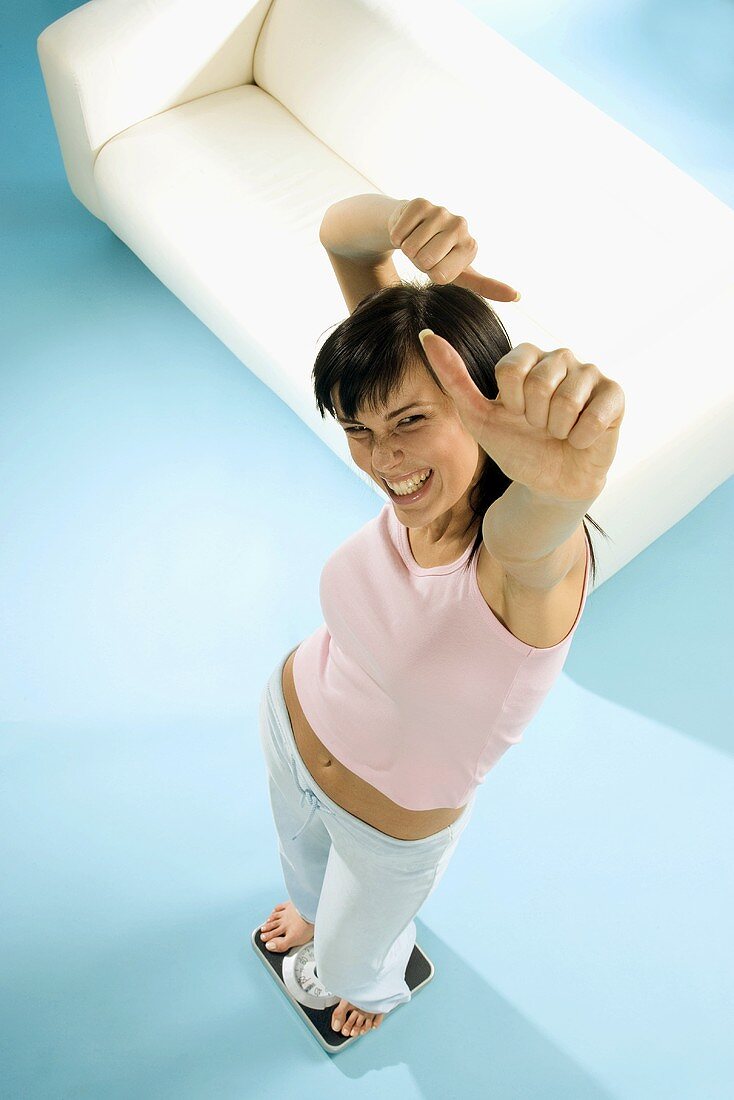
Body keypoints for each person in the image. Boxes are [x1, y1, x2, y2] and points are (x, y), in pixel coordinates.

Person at [257, 195, 624, 1040]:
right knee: (304, 880)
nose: (384, 460)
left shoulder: (519, 559)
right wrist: (397, 221)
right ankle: (316, 919)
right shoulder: (416, 442)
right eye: (359, 428)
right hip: (290, 719)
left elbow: (541, 526)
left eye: (411, 422)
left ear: (479, 399)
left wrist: (561, 486)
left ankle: (374, 985)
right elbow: (342, 236)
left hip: (389, 832)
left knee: (353, 968)